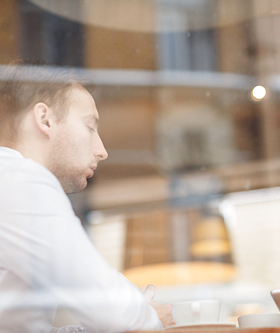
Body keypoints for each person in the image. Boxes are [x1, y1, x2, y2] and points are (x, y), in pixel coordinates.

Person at [0, 61, 173, 332]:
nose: (102, 150)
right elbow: (115, 313)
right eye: (90, 127)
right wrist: (147, 317)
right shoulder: (19, 181)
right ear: (44, 119)